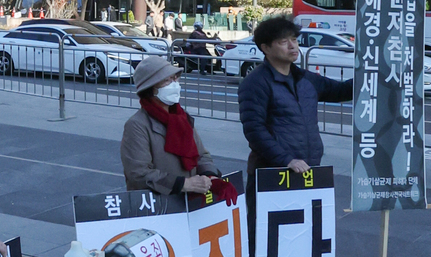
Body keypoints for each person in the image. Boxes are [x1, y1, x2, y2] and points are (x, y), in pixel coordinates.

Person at [238, 12, 352, 178]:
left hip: (308, 168)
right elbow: (254, 130)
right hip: (272, 172)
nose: (292, 46)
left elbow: (340, 91)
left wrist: (370, 75)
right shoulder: (255, 83)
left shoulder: (306, 79)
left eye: (294, 40)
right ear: (266, 48)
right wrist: (286, 160)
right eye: (284, 42)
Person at [121, 55, 223, 196]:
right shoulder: (137, 125)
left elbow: (201, 155)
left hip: (189, 202)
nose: (174, 84)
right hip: (160, 208)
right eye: (167, 81)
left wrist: (210, 176)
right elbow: (138, 174)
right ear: (151, 89)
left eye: (175, 78)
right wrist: (183, 184)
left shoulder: (182, 117)